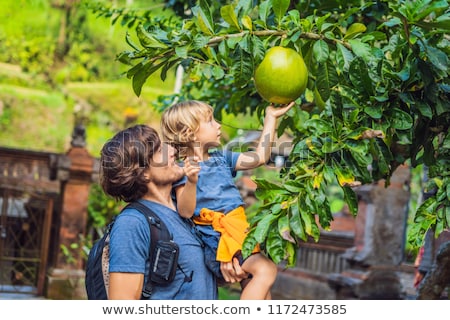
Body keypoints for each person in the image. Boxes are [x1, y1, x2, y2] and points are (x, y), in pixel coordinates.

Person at [160, 100, 294, 300]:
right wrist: (192, 181)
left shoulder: (221, 159)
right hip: (220, 241)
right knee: (266, 270)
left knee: (263, 294)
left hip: (239, 233)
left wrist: (271, 118)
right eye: (210, 121)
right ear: (190, 133)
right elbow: (185, 211)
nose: (218, 125)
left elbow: (259, 157)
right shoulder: (183, 169)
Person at [99, 124, 246, 299]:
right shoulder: (132, 224)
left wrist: (227, 266)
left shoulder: (188, 212)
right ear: (143, 173)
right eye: (161, 150)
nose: (172, 150)